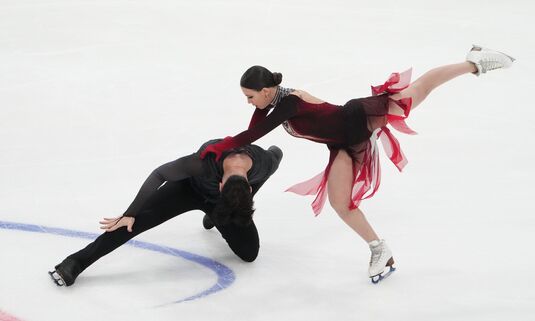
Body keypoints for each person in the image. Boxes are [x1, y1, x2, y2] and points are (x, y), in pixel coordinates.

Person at [199, 45, 515, 282]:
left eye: (250, 96)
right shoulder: (274, 100)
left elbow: (254, 132)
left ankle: (473, 62)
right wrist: (226, 145)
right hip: (343, 143)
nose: (249, 102)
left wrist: (217, 149)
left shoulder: (289, 102)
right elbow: (254, 125)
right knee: (341, 202)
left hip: (359, 118)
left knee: (418, 90)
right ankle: (380, 250)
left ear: (266, 91)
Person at [49, 139, 283, 286]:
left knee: (249, 253)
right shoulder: (203, 162)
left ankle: (215, 215)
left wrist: (238, 203)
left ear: (248, 186)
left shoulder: (263, 162)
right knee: (131, 223)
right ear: (221, 185)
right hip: (187, 190)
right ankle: (75, 262)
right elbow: (159, 174)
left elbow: (276, 154)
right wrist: (130, 212)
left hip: (223, 202)